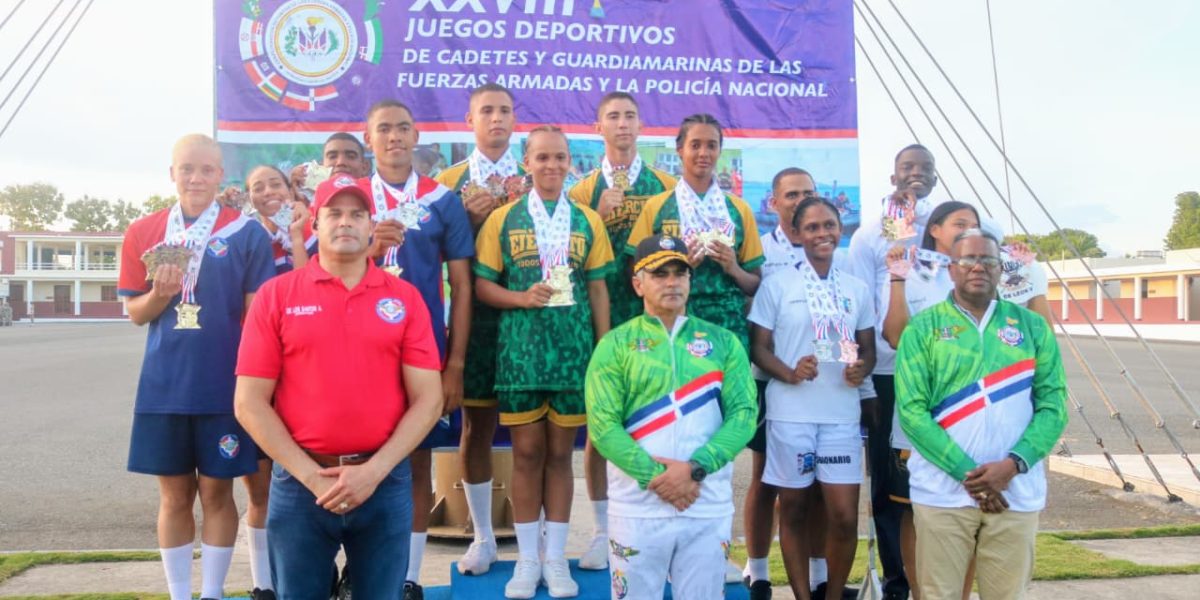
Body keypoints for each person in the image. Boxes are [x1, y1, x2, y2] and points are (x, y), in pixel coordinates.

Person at [233, 175, 445, 598]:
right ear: (315, 224)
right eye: (333, 213)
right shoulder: (277, 296)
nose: (345, 221)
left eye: (356, 214)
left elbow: (428, 399)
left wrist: (372, 472)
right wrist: (312, 478)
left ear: (371, 227)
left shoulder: (404, 298)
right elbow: (249, 402)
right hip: (300, 485)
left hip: (383, 482)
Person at [118, 134, 275, 600]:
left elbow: (257, 317)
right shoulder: (144, 231)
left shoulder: (246, 233)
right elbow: (136, 313)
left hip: (224, 386)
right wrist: (160, 294)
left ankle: (212, 593)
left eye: (207, 169)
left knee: (218, 494)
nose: (196, 178)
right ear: (172, 173)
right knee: (173, 497)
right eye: (187, 168)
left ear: (220, 174)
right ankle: (179, 594)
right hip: (163, 386)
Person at [473, 125, 614, 598]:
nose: (552, 165)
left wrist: (603, 351)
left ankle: (555, 558)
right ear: (526, 163)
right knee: (527, 455)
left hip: (573, 355)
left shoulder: (588, 220)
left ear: (570, 162)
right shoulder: (503, 219)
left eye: (560, 157)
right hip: (521, 355)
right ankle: (526, 560)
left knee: (559, 457)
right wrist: (519, 297)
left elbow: (598, 288)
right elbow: (482, 285)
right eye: (542, 157)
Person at [895, 228, 1067, 600]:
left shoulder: (1032, 327)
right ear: (951, 269)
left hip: (1015, 491)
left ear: (1001, 269)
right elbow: (911, 412)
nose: (978, 267)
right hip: (942, 493)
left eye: (988, 260)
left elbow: (1053, 406)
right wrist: (969, 475)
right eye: (968, 259)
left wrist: (1013, 465)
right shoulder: (923, 328)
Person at [585, 233, 757, 600]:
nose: (672, 282)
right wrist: (658, 478)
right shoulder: (614, 344)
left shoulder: (724, 342)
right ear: (638, 284)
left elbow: (744, 415)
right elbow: (602, 426)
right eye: (660, 273)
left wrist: (695, 469)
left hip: (704, 501)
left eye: (680, 273)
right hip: (638, 506)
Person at [359, 99, 476, 600]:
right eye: (384, 129)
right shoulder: (349, 198)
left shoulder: (441, 200)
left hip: (420, 354)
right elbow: (321, 271)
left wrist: (455, 364)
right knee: (355, 456)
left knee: (416, 463)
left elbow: (462, 286)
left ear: (416, 136)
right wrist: (369, 249)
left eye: (403, 128)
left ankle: (406, 578)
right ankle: (358, 573)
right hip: (356, 352)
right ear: (368, 138)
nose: (394, 137)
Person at [745, 168, 871, 600]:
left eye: (829, 225)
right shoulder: (777, 285)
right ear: (797, 234)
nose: (822, 234)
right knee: (794, 508)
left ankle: (831, 594)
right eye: (812, 227)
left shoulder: (855, 287)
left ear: (840, 229)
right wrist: (789, 372)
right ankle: (801, 595)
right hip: (791, 413)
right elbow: (758, 347)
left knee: (843, 516)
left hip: (840, 414)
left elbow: (866, 347)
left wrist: (861, 368)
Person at [567, 91, 677, 570]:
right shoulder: (579, 191)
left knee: (662, 421)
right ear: (599, 128)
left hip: (653, 321)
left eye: (630, 116)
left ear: (641, 125)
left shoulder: (665, 187)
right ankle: (602, 530)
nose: (623, 124)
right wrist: (598, 214)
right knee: (602, 425)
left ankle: (663, 524)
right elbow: (567, 260)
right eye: (613, 116)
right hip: (601, 321)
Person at [435, 82, 525, 576]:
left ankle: (539, 543)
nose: (496, 118)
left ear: (514, 119)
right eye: (486, 110)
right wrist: (465, 221)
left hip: (531, 320)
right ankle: (484, 536)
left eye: (504, 110)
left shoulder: (534, 173)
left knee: (535, 435)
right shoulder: (447, 182)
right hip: (476, 320)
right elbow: (430, 252)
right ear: (469, 120)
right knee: (477, 428)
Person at [847, 143, 940, 600]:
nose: (916, 174)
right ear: (893, 177)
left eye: (925, 168)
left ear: (935, 178)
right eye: (907, 167)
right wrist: (864, 379)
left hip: (940, 374)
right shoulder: (870, 235)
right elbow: (858, 305)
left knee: (935, 484)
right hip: (887, 371)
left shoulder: (944, 229)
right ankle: (896, 583)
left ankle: (935, 583)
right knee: (889, 487)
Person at [236, 164, 314, 599]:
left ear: (291, 189)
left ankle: (319, 575)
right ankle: (262, 584)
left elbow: (309, 290)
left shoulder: (314, 234)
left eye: (275, 184)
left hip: (304, 373)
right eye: (257, 187)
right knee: (260, 487)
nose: (267, 192)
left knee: (311, 484)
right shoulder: (243, 237)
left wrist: (299, 237)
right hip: (260, 370)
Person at [625, 113, 764, 353]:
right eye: (695, 145)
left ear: (719, 151)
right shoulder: (657, 207)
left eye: (712, 145)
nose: (704, 153)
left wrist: (733, 268)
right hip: (672, 321)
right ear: (680, 150)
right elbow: (633, 272)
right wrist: (678, 265)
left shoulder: (738, 210)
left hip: (727, 325)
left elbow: (754, 284)